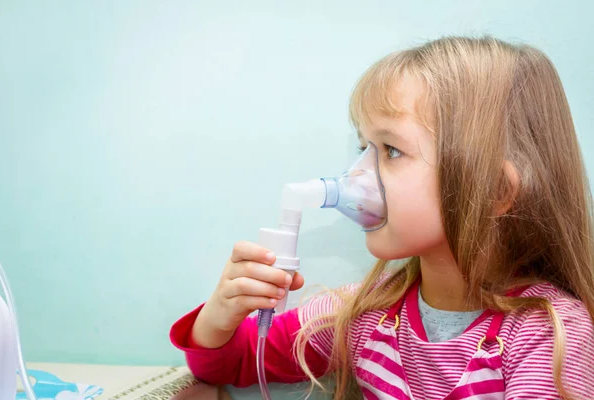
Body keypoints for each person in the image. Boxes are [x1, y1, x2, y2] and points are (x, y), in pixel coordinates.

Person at [170, 36, 594, 399]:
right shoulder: (365, 314)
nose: (356, 177)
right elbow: (236, 364)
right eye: (363, 148)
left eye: (391, 150)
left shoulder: (550, 337)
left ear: (495, 190)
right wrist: (221, 313)